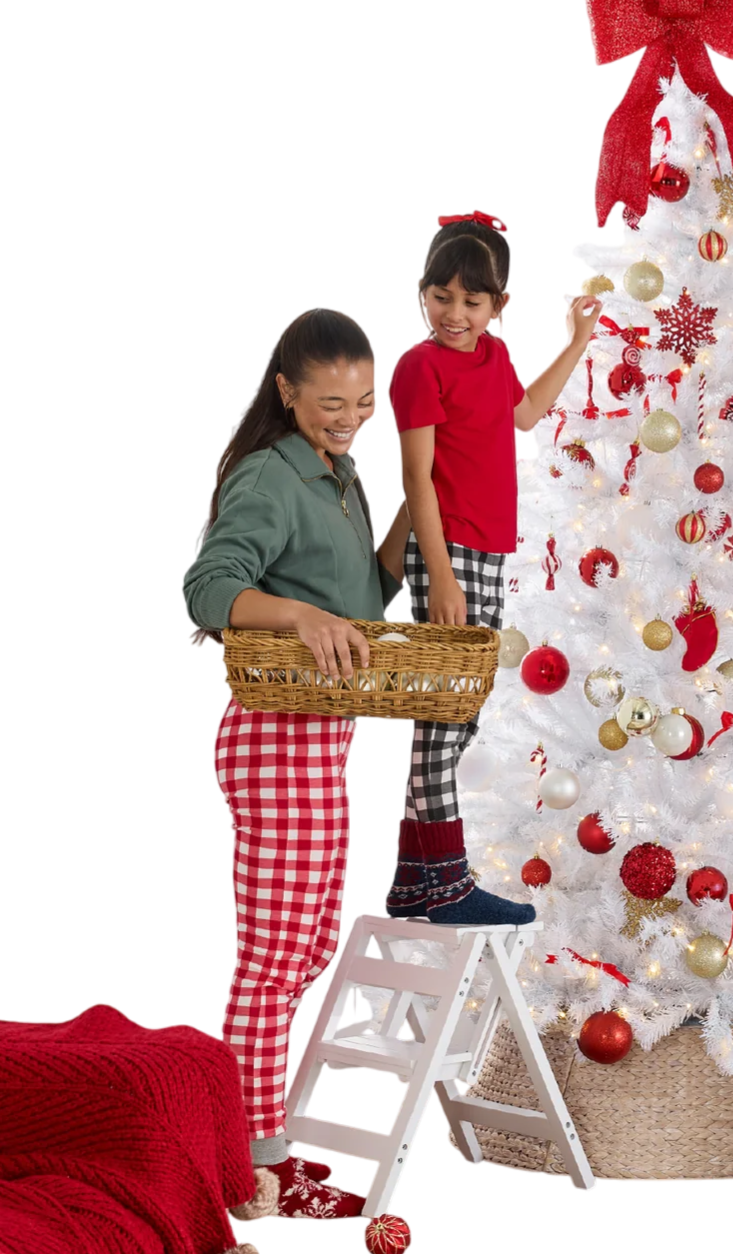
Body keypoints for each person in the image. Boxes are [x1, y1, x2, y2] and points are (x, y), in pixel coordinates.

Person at [183, 309, 411, 1220]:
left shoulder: (339, 476)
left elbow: (364, 597)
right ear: (286, 391)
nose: (349, 417)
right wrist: (297, 617)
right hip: (277, 737)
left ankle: (243, 1132)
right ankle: (255, 1162)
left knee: (307, 946)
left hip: (324, 740)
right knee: (272, 963)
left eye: (362, 402)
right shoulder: (269, 477)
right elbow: (209, 584)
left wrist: (422, 501)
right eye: (329, 403)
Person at [383, 213, 602, 925]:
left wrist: (579, 341)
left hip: (488, 551)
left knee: (458, 717)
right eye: (440, 297)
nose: (454, 314)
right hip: (447, 551)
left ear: (498, 306)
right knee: (445, 719)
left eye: (471, 302)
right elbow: (418, 478)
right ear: (424, 295)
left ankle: (413, 880)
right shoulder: (420, 368)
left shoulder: (494, 357)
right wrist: (439, 576)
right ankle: (444, 883)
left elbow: (530, 414)